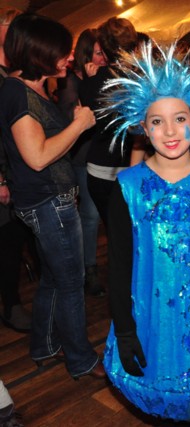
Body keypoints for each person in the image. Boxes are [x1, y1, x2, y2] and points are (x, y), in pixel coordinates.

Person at [100, 42, 190, 424]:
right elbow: (118, 264)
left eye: (179, 118)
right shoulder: (128, 188)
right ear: (143, 127)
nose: (169, 131)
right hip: (152, 324)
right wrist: (125, 328)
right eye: (157, 121)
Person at [0, 13, 104, 380]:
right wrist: (78, 125)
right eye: (63, 52)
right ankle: (81, 359)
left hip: (49, 199)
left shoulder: (33, 86)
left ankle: (44, 345)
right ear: (39, 53)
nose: (70, 57)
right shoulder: (16, 92)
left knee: (54, 279)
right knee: (71, 283)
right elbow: (38, 156)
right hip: (46, 202)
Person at [56, 28, 106, 297]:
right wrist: (89, 85)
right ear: (87, 54)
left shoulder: (104, 77)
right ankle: (89, 270)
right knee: (90, 215)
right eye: (98, 53)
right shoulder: (72, 82)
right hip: (83, 158)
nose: (102, 58)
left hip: (104, 156)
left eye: (104, 52)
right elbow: (71, 121)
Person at [79, 16, 138, 229]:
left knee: (115, 233)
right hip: (136, 167)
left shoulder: (92, 82)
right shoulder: (143, 80)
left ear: (104, 50)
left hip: (100, 169)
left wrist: (89, 80)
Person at [0, 6, 31, 334]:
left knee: (15, 239)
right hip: (4, 175)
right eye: (12, 26)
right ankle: (11, 305)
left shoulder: (14, 73)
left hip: (17, 171)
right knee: (8, 241)